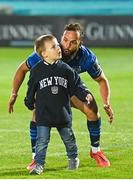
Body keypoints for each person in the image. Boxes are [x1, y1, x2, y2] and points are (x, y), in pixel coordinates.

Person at [8, 23, 114, 168]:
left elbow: (101, 80)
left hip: (71, 87)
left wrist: (106, 102)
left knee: (92, 109)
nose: (66, 45)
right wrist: (14, 93)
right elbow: (22, 69)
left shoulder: (86, 56)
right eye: (64, 39)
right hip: (50, 87)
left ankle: (95, 151)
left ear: (79, 44)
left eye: (72, 42)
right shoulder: (49, 51)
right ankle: (35, 158)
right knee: (37, 114)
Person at [24, 34, 92, 174]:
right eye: (54, 46)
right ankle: (39, 164)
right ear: (44, 54)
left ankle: (73, 159)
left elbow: (76, 85)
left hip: (62, 113)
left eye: (57, 45)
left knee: (69, 139)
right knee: (41, 141)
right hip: (44, 114)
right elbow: (31, 88)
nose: (59, 48)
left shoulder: (66, 69)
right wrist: (29, 102)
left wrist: (85, 94)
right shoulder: (36, 70)